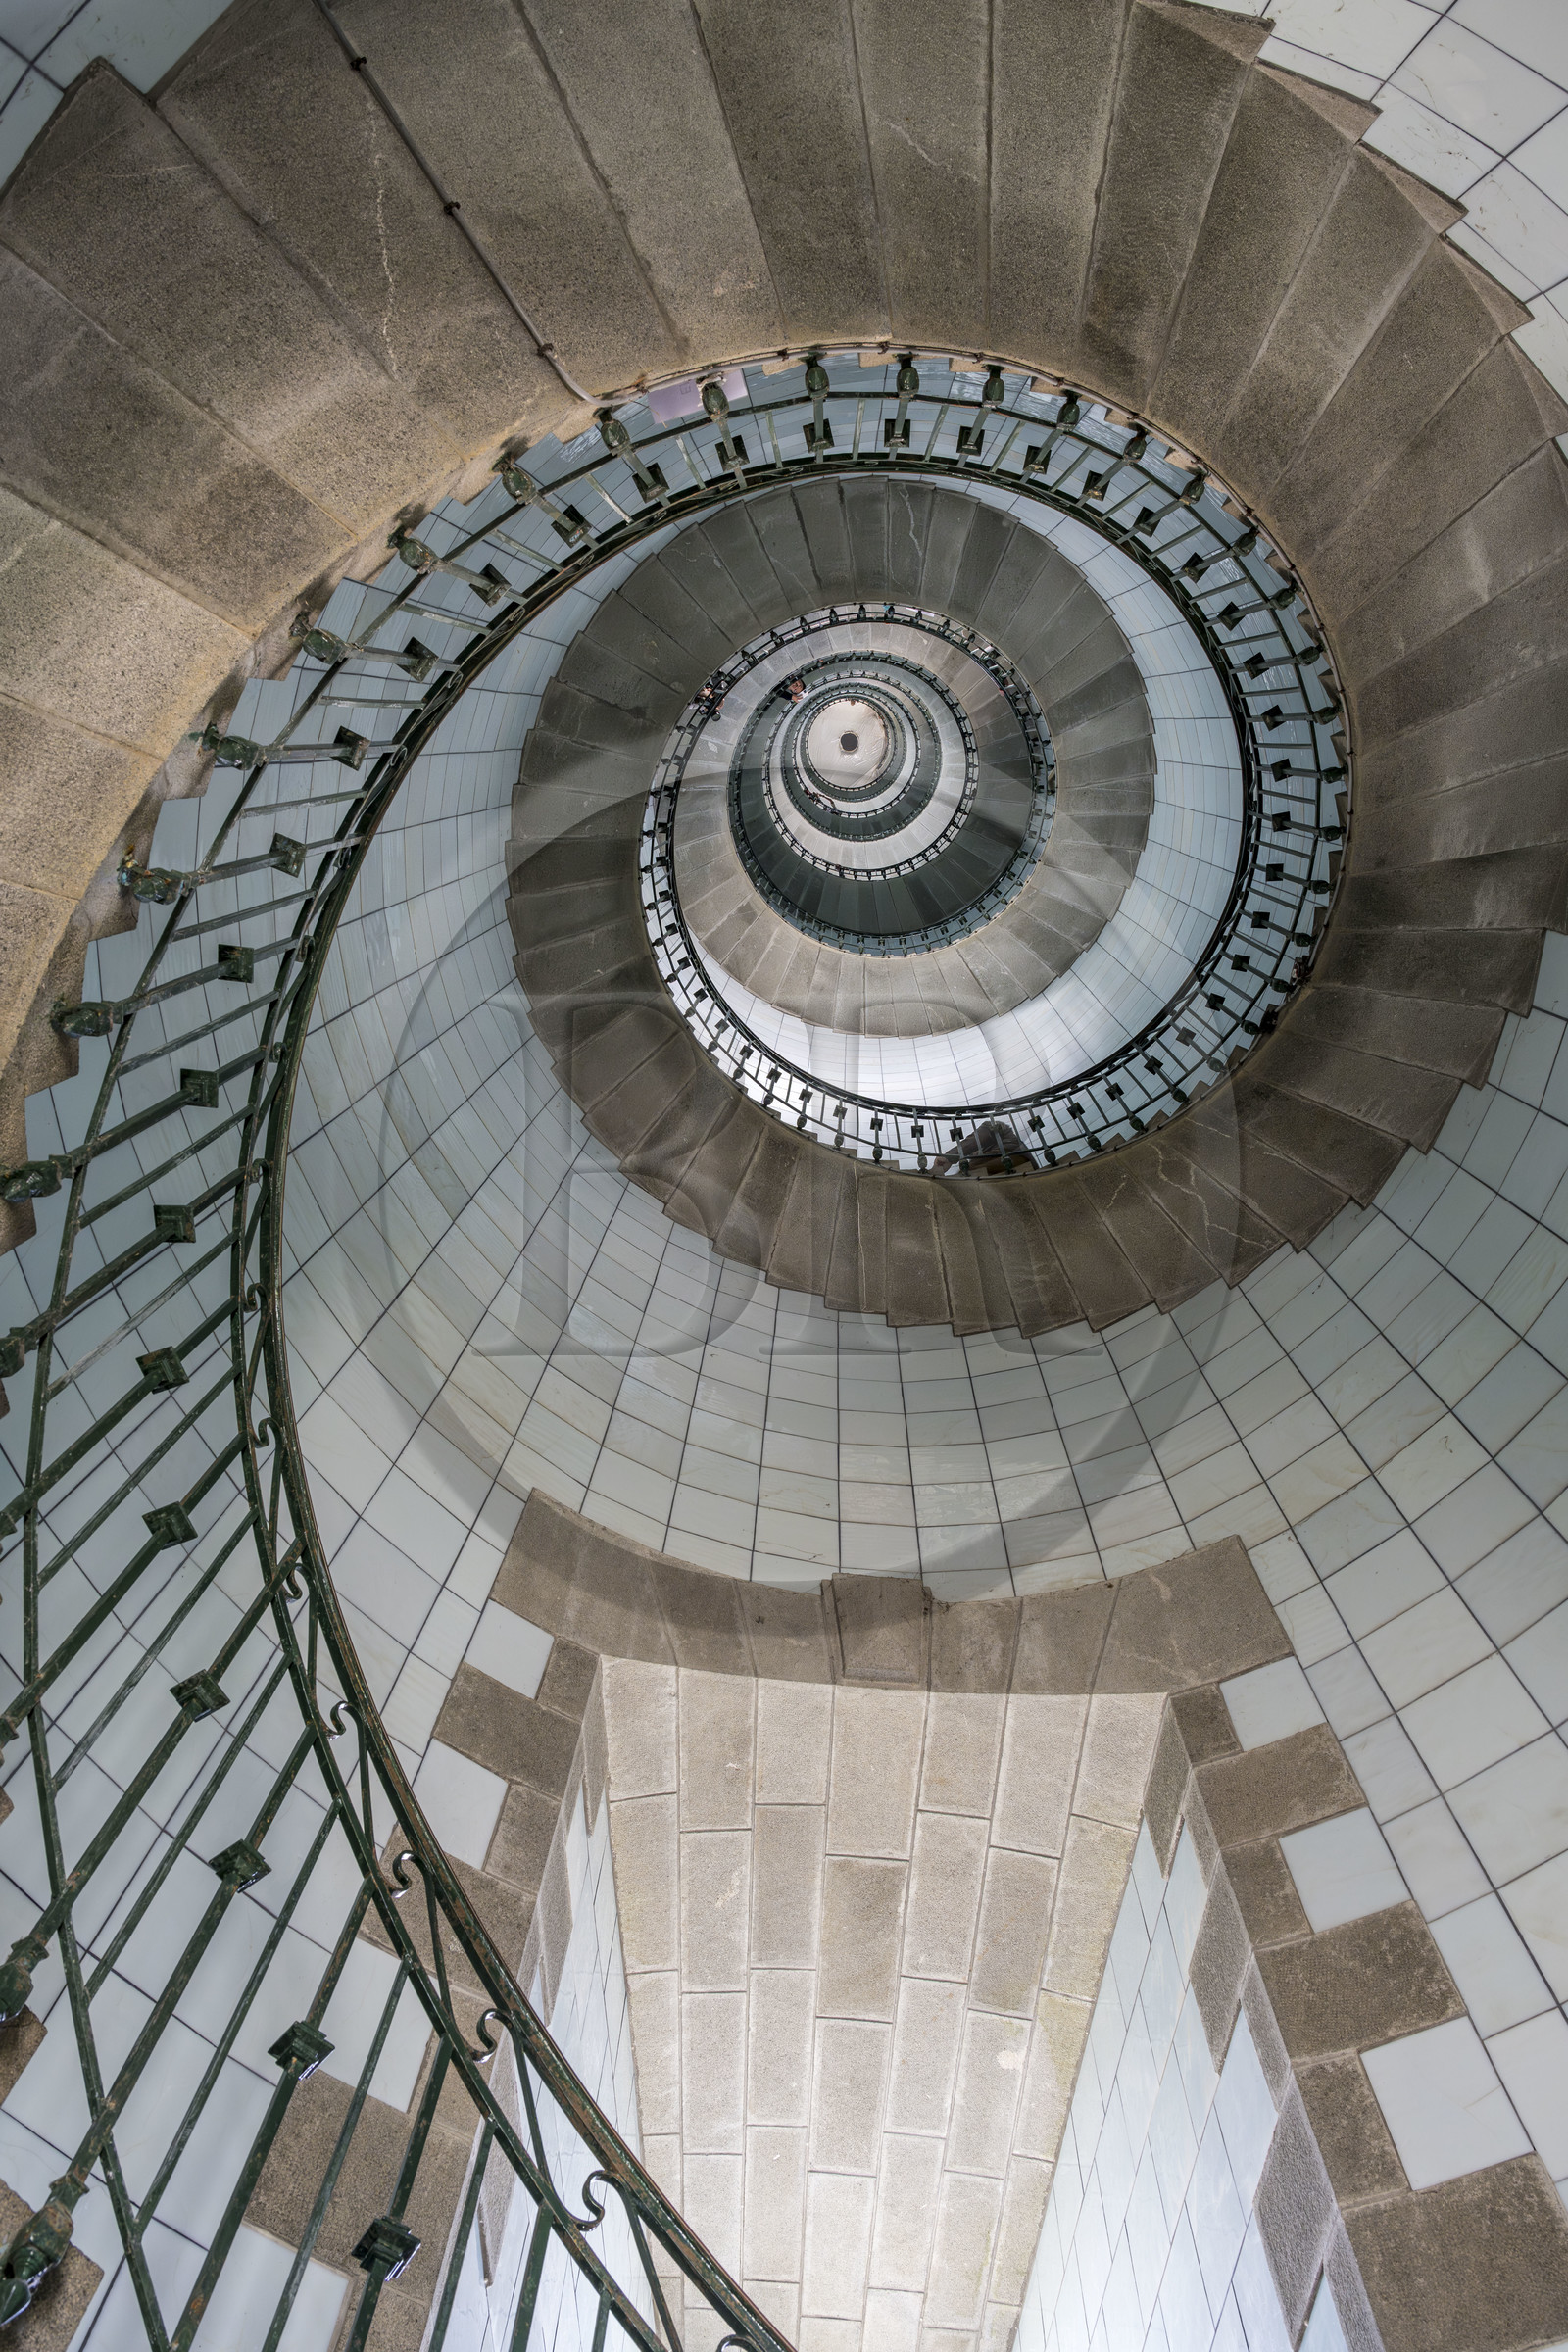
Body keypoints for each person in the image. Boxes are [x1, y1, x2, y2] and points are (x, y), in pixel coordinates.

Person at [932, 1118, 1037, 1175]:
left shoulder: (993, 1126)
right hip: (1009, 1162)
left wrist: (950, 1156)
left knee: (964, 1175)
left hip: (1012, 1157)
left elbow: (976, 1139)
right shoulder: (980, 1155)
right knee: (965, 1173)